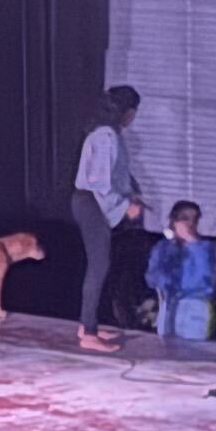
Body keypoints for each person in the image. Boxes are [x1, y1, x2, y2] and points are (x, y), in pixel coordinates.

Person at [70, 87, 148, 348]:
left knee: (101, 265)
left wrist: (132, 193)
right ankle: (88, 333)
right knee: (98, 264)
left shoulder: (111, 134)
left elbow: (118, 174)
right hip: (91, 203)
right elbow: (99, 183)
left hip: (93, 202)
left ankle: (88, 326)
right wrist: (124, 205)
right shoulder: (105, 136)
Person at [149, 199, 216, 342]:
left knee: (192, 347)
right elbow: (152, 276)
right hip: (168, 304)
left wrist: (193, 243)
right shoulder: (162, 247)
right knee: (165, 346)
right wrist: (164, 279)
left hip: (195, 304)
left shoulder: (204, 248)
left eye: (195, 219)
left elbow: (206, 274)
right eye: (185, 218)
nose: (190, 223)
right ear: (174, 221)